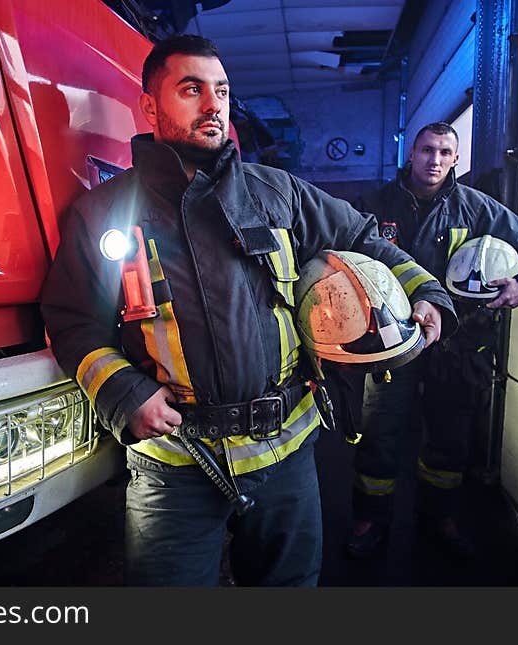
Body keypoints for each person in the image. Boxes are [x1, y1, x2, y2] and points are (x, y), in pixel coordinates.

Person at [40, 35, 456, 586]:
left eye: (222, 91)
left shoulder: (278, 193)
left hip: (284, 455)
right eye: (191, 90)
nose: (213, 105)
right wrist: (122, 390)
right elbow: (72, 318)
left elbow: (361, 236)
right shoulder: (105, 213)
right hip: (176, 466)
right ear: (149, 105)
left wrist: (427, 291)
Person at [343, 121, 518, 560]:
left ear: (456, 159)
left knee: (450, 439)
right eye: (426, 151)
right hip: (391, 343)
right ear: (411, 154)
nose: (434, 160)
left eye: (444, 152)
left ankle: (440, 518)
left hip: (458, 344)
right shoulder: (373, 206)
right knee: (379, 433)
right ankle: (369, 518)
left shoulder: (477, 209)